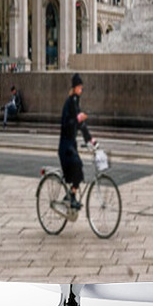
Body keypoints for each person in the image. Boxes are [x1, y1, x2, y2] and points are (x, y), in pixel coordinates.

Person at [58, 74, 98, 210]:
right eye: (79, 87)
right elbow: (66, 124)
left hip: (70, 145)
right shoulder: (69, 102)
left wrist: (90, 139)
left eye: (82, 87)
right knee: (77, 166)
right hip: (65, 146)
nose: (81, 89)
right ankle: (71, 197)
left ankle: (70, 196)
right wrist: (77, 119)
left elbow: (81, 125)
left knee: (79, 171)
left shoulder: (75, 102)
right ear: (74, 88)